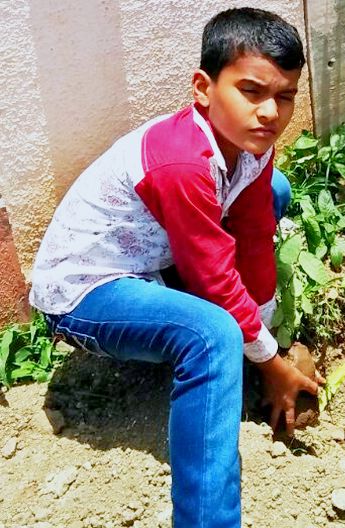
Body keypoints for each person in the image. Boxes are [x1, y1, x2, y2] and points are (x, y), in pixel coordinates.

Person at [29, 8, 319, 527]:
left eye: (286, 95)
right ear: (203, 89)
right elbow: (213, 275)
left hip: (153, 259)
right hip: (87, 291)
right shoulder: (183, 161)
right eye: (251, 92)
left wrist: (269, 334)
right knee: (212, 336)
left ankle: (240, 351)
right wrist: (270, 362)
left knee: (272, 193)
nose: (271, 113)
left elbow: (252, 237)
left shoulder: (252, 145)